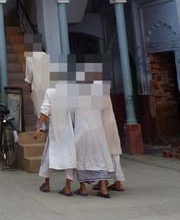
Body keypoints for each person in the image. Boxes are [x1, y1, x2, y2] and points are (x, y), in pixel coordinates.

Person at [72, 65, 114, 198]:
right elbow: (103, 109)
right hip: (97, 130)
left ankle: (83, 188)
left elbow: (72, 115)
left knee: (81, 158)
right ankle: (104, 189)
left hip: (82, 131)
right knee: (100, 157)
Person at [36, 62, 76, 197]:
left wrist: (38, 128)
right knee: (69, 157)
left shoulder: (51, 92)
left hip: (56, 131)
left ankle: (46, 184)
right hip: (69, 131)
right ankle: (68, 187)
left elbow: (44, 112)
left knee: (48, 156)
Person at [94, 83, 125, 193]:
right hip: (110, 123)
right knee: (114, 154)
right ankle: (117, 182)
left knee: (103, 155)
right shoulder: (103, 87)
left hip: (103, 125)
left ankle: (104, 182)